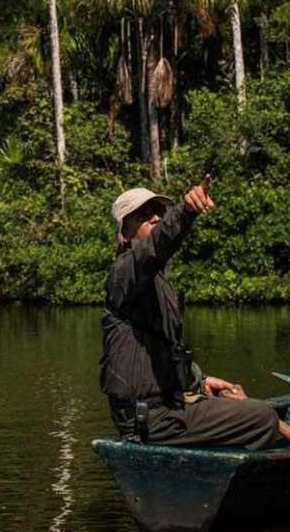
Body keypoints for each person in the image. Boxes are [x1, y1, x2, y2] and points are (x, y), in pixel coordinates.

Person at [100, 177, 280, 450]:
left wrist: (200, 381)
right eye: (143, 215)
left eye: (159, 211)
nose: (156, 218)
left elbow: (165, 348)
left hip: (165, 405)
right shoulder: (124, 272)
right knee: (264, 418)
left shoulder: (158, 282)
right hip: (150, 417)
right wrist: (185, 212)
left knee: (243, 401)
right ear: (124, 233)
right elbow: (155, 247)